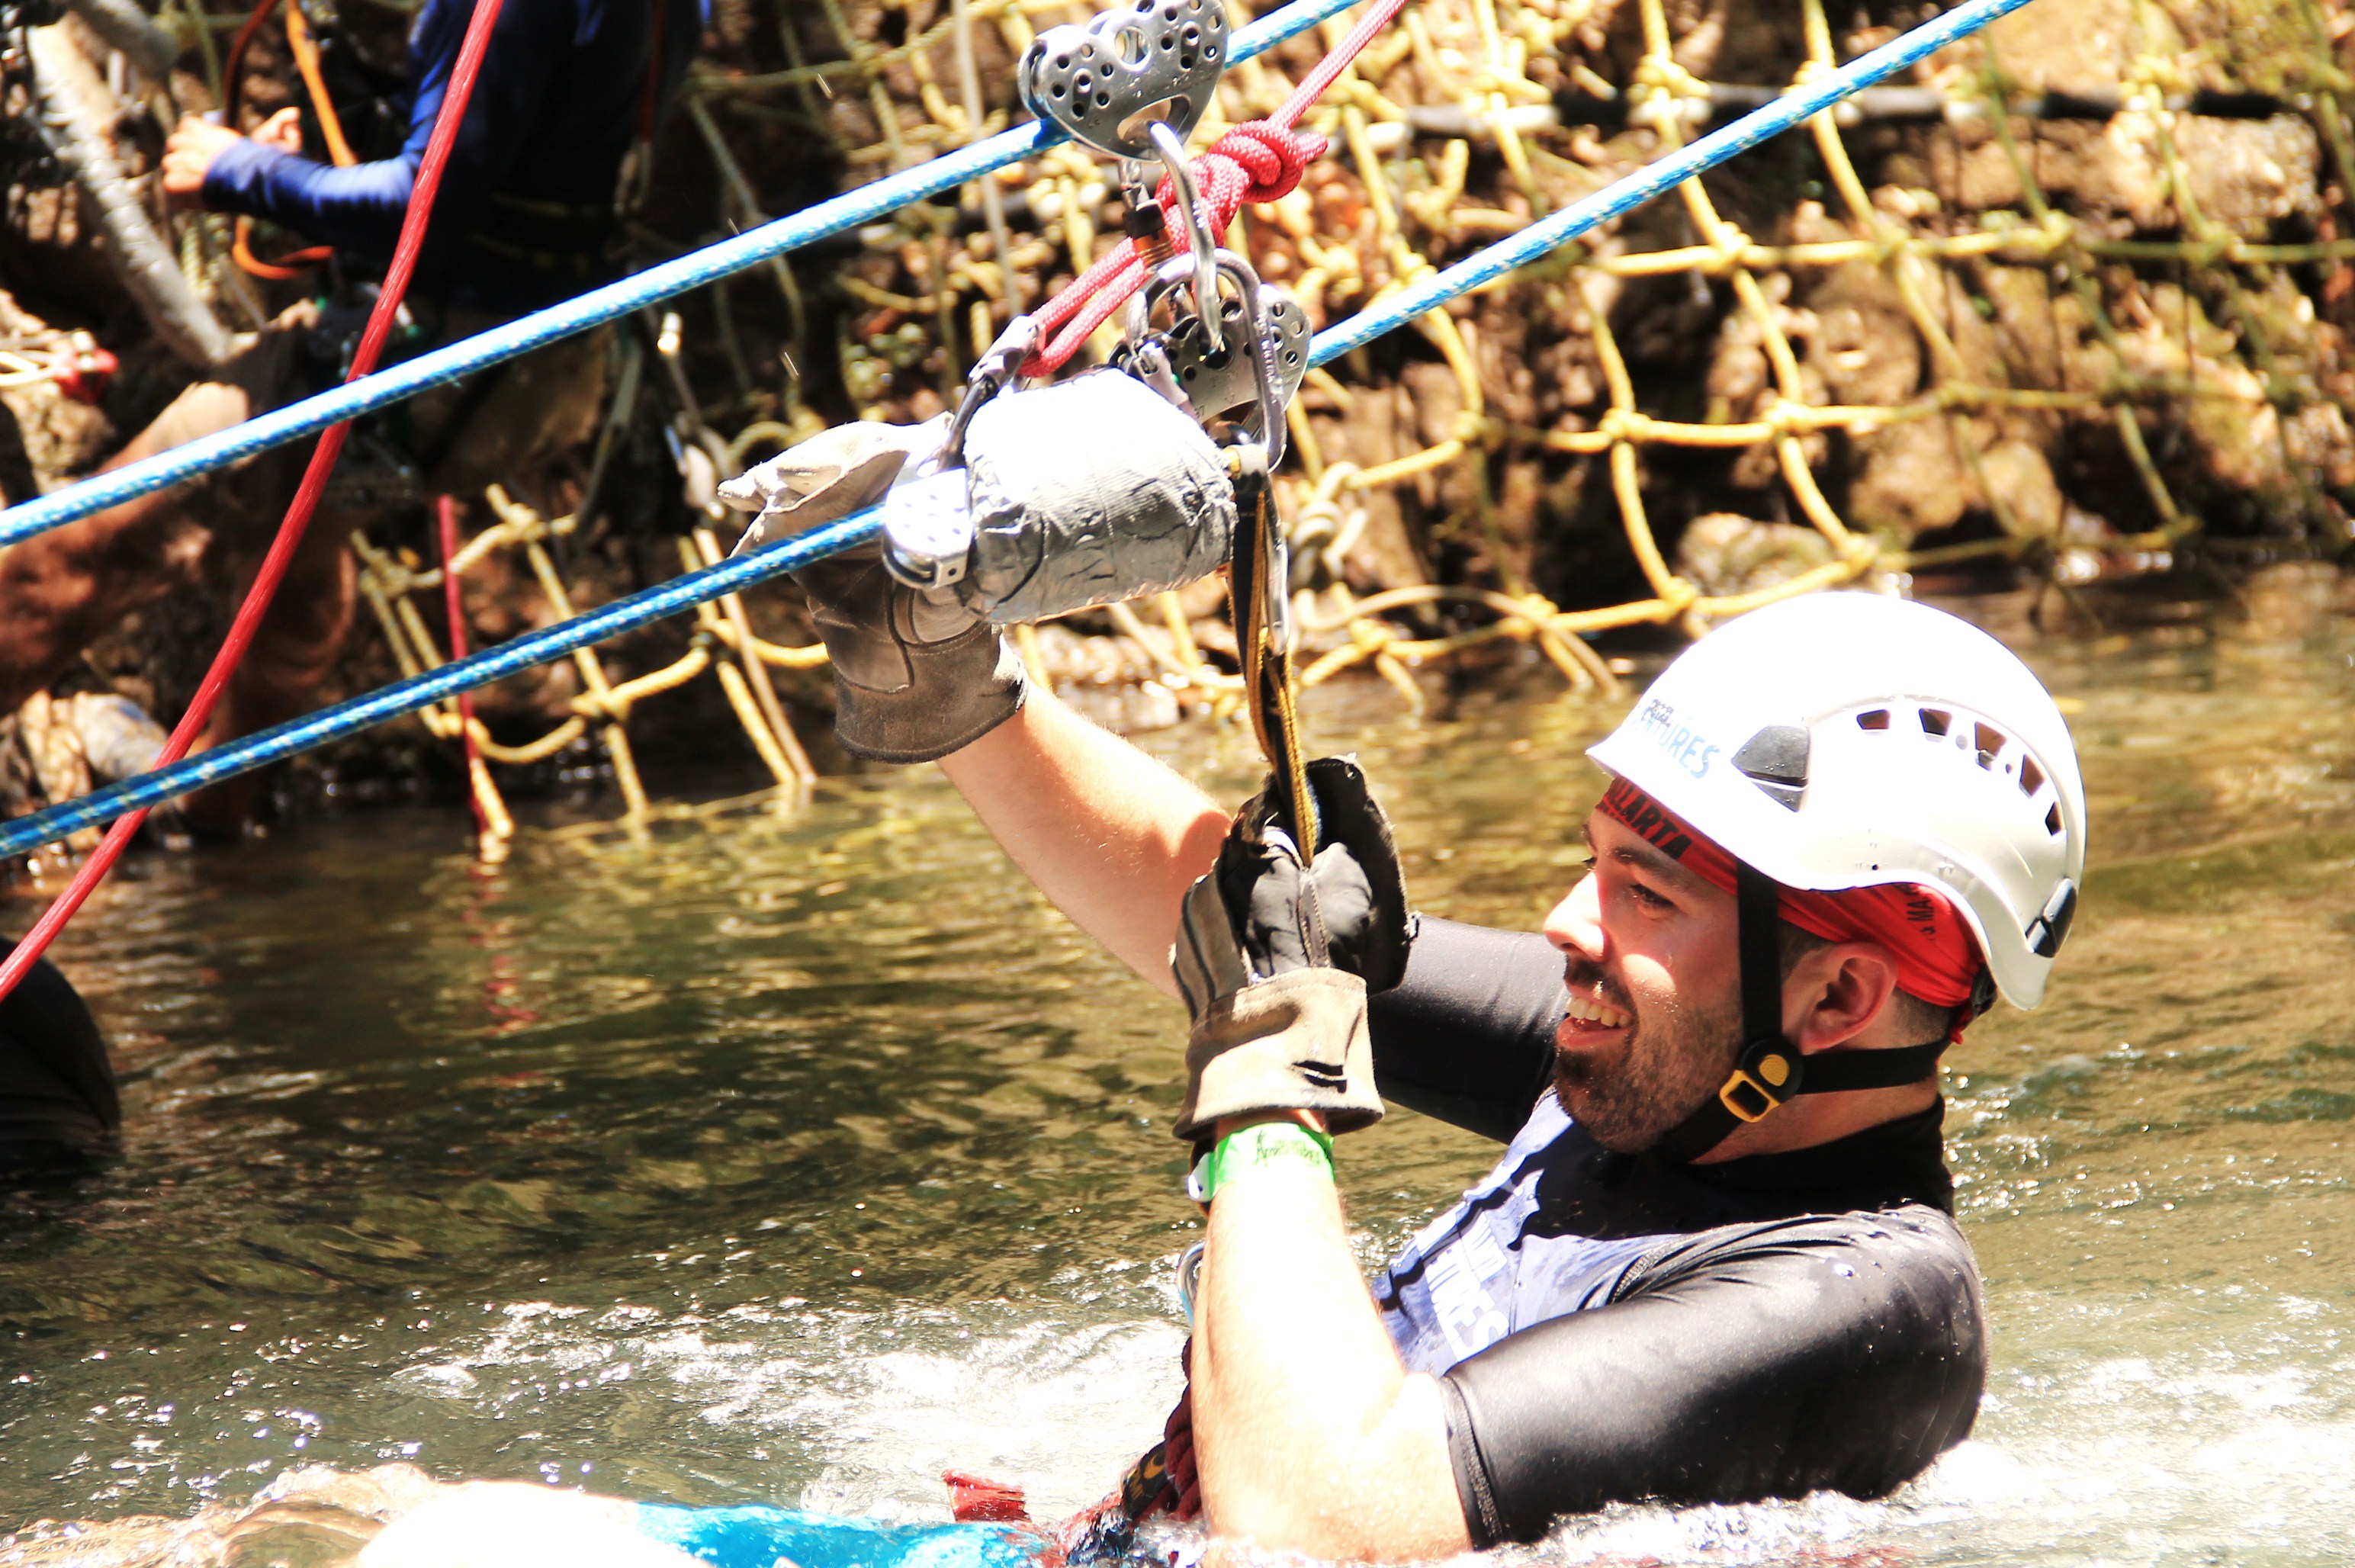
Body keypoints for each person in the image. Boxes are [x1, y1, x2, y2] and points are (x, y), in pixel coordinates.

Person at [714, 423, 2085, 1558]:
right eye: (1595, 863)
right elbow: (1205, 911)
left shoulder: (1863, 1308)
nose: (1567, 923)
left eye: (1647, 893)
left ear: (1837, 999)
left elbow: (1322, 1527)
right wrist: (951, 681)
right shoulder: (1661, 1064)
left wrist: (1269, 1075)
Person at [0, 0, 702, 827]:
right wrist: (337, 151)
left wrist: (238, 171)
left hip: (432, 364)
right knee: (306, 535)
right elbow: (542, 149)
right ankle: (219, 814)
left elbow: (424, 202)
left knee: (77, 552)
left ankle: (214, 805)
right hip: (546, 366)